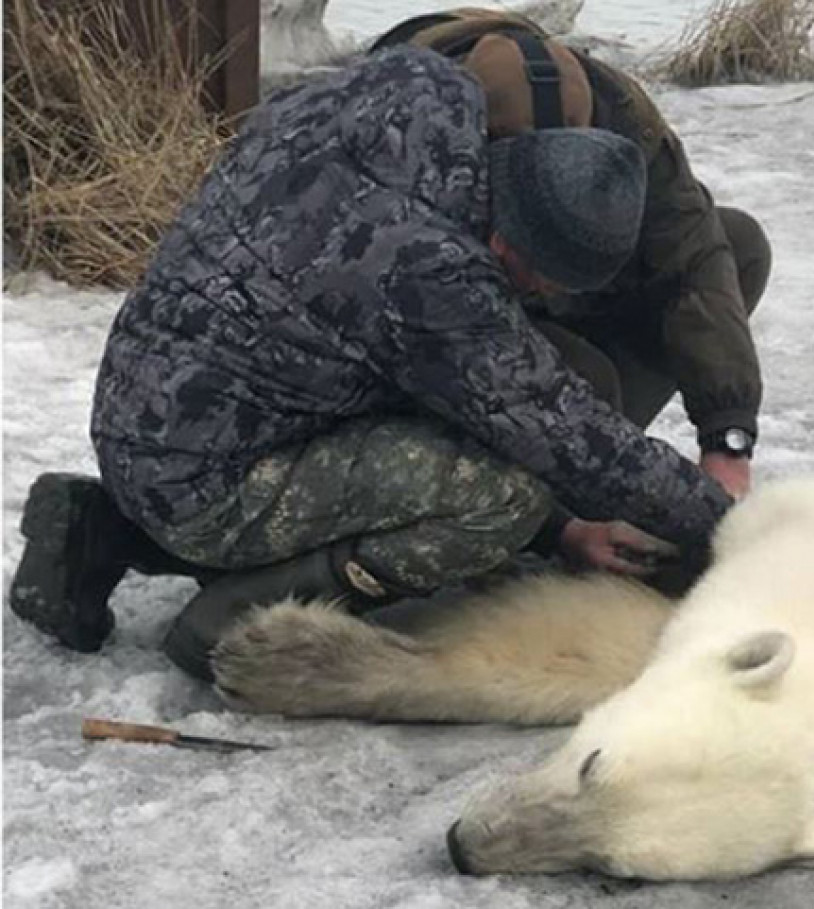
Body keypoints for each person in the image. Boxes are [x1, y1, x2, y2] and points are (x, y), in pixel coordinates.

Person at [7, 45, 740, 681]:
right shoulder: (429, 274)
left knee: (430, 414)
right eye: (540, 282)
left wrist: (566, 532)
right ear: (511, 242)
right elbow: (574, 442)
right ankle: (241, 617)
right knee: (505, 495)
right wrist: (738, 535)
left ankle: (106, 529)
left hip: (150, 404)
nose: (533, 298)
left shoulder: (418, 88)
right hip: (204, 479)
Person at [369, 9, 772, 496]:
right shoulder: (408, 145)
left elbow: (692, 255)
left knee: (738, 242)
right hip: (437, 349)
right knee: (582, 377)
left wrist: (727, 438)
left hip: (541, 293)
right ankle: (531, 505)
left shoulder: (619, 114)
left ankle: (597, 471)